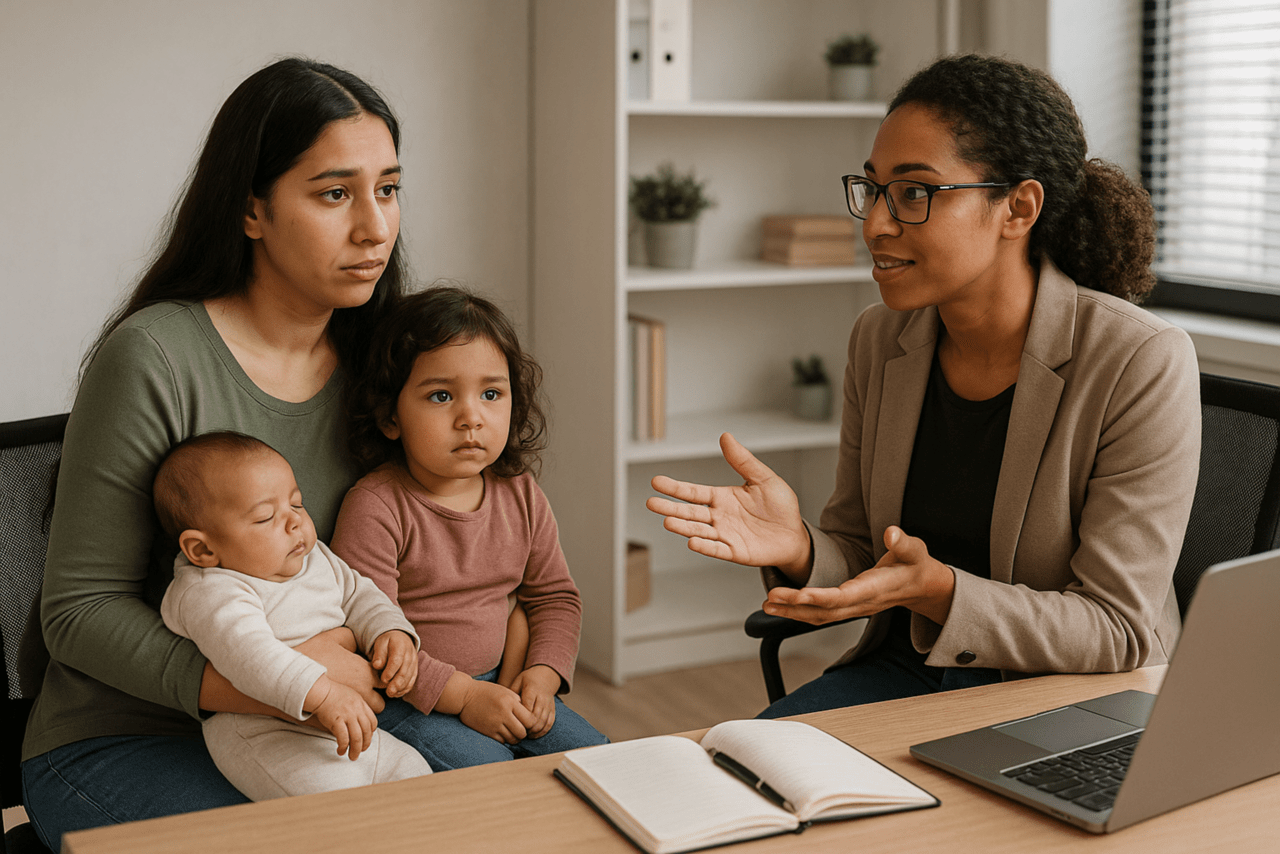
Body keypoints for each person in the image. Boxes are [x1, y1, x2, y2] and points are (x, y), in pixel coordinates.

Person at [647, 54, 1201, 718]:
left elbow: (1116, 627)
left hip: (1069, 699)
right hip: (905, 673)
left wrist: (941, 592)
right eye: (872, 189)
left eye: (914, 193)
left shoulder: (1139, 360)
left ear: (1018, 208)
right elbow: (861, 550)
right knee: (739, 765)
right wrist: (800, 545)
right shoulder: (881, 339)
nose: (875, 224)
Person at [21, 57, 409, 847]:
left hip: (329, 709)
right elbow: (78, 614)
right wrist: (290, 681)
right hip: (126, 734)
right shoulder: (154, 359)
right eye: (335, 194)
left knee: (516, 799)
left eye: (389, 189)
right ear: (251, 210)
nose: (374, 227)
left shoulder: (383, 360)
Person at [331, 285, 609, 770]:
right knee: (491, 776)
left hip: (503, 682)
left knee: (601, 761)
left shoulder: (521, 494)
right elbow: (370, 636)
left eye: (491, 394)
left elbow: (555, 598)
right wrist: (465, 697)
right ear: (390, 416)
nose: (471, 418)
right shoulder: (375, 508)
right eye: (441, 395)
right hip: (410, 700)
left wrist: (542, 675)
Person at [155, 432, 432, 800]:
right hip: (267, 734)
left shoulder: (312, 556)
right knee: (338, 807)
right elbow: (251, 657)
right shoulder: (211, 590)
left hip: (344, 720)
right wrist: (324, 694)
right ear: (203, 549)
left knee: (417, 776)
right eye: (266, 517)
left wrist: (389, 631)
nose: (294, 523)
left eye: (297, 504)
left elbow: (359, 594)